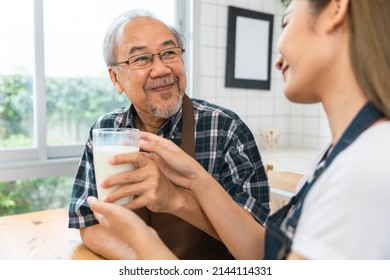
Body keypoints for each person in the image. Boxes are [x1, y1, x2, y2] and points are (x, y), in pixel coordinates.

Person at [88, 0, 390, 259]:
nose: (277, 57)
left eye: (285, 22)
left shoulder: (365, 169)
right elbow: (265, 252)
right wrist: (194, 180)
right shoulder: (341, 156)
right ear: (115, 78)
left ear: (336, 9)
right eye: (141, 58)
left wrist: (145, 241)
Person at [68, 9, 270, 260]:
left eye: (169, 53)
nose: (161, 69)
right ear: (115, 77)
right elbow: (88, 221)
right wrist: (148, 263)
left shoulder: (225, 129)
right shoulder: (106, 132)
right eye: (141, 58)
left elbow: (259, 249)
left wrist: (175, 199)